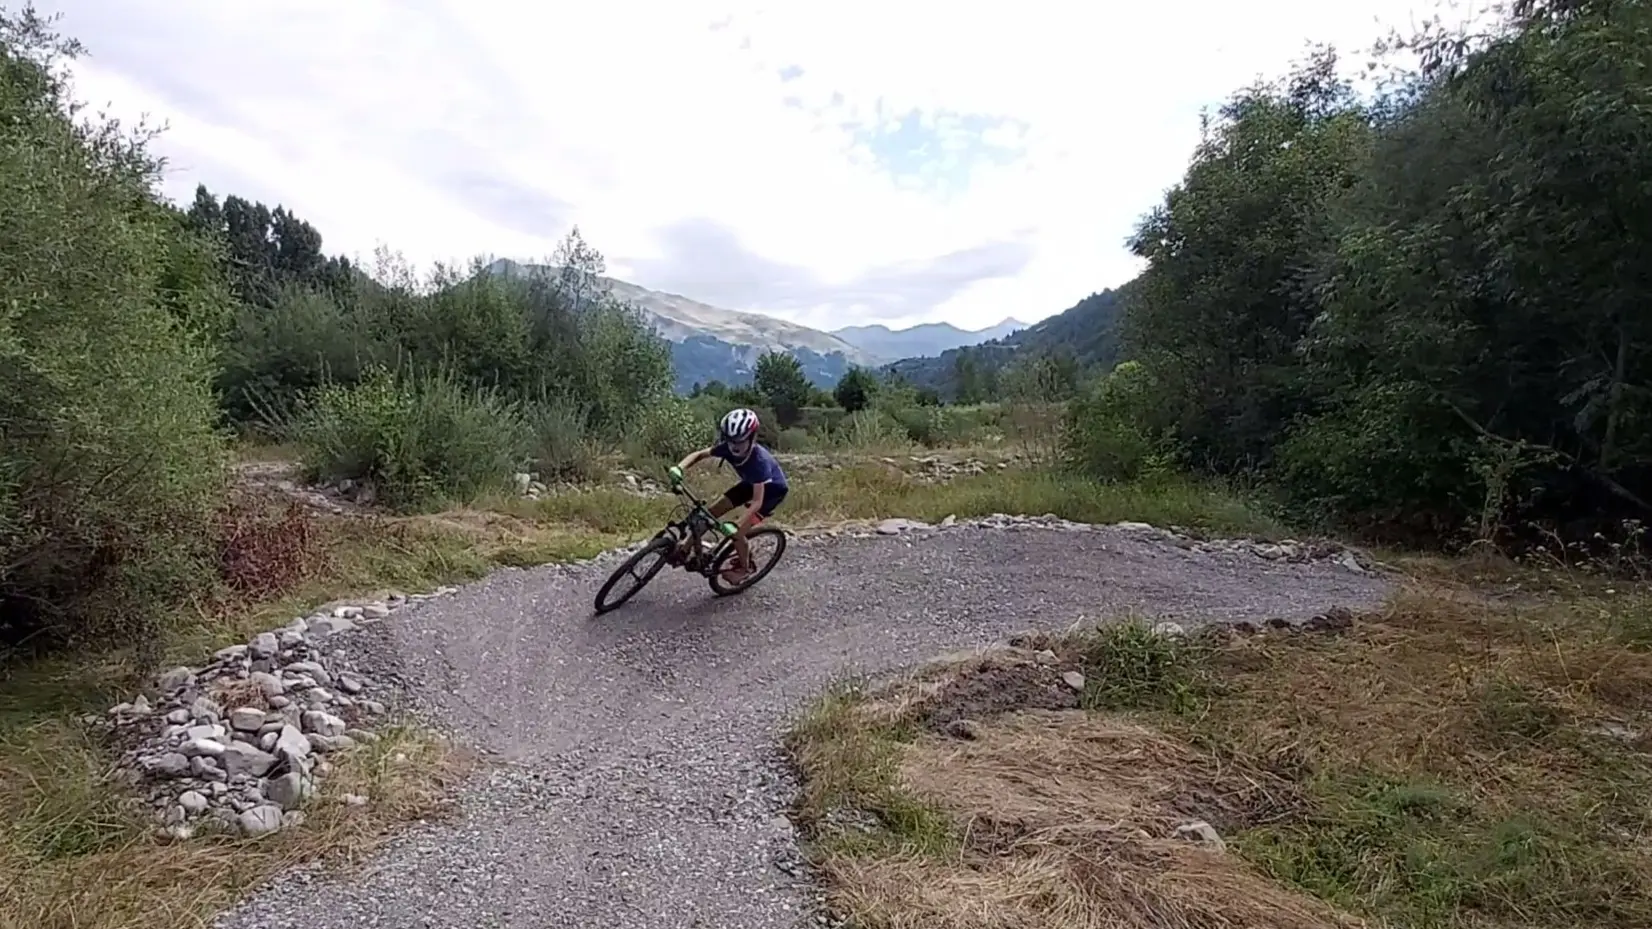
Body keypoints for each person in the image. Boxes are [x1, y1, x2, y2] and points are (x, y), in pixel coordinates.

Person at [671, 407, 789, 584]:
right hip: (750, 483)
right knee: (709, 513)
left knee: (737, 534)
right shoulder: (728, 448)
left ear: (752, 438)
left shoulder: (759, 462)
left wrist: (737, 524)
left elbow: (757, 502)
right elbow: (700, 454)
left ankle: (745, 567)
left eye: (740, 441)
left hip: (770, 494)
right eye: (730, 440)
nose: (734, 446)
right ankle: (685, 548)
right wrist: (679, 467)